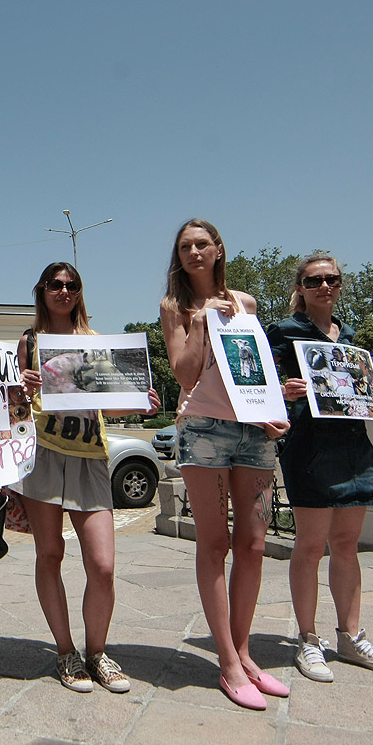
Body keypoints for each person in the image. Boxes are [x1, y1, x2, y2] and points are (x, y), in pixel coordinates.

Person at [8, 262, 160, 695]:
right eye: (55, 284)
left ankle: (98, 652)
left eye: (71, 285)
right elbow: (13, 402)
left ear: (80, 291)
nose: (63, 291)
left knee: (103, 565)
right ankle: (65, 651)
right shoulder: (29, 341)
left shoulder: (97, 343)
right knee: (50, 553)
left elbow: (108, 406)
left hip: (91, 455)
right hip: (42, 453)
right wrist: (20, 386)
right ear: (42, 290)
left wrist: (139, 404)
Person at [159, 219, 290, 711]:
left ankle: (244, 652)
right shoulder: (175, 307)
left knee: (254, 543)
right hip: (204, 429)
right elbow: (186, 372)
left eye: (202, 244)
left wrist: (274, 409)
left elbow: (254, 366)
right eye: (185, 247)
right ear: (180, 256)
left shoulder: (246, 303)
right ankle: (228, 663)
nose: (194, 252)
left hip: (253, 429)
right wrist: (199, 322)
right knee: (214, 543)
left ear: (218, 250)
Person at [267, 253, 373, 683]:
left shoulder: (352, 336)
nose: (325, 286)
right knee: (309, 546)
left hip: (354, 449)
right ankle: (308, 639)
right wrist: (284, 392)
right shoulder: (284, 332)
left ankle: (351, 635)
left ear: (341, 285)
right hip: (308, 449)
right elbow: (256, 383)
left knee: (347, 545)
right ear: (301, 287)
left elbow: (360, 394)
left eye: (332, 279)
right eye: (315, 280)